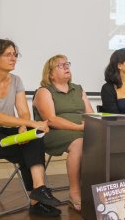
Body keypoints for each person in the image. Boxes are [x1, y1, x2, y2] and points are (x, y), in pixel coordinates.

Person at [0, 39, 61, 217]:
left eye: (14, 54)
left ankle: (38, 192)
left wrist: (24, 128)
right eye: (8, 55)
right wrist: (32, 124)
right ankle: (37, 199)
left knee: (33, 139)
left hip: (5, 130)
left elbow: (24, 112)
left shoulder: (16, 80)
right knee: (25, 149)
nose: (13, 58)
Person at [33, 55, 94, 211]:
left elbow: (90, 114)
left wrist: (91, 126)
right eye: (61, 65)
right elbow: (51, 120)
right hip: (53, 133)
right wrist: (80, 128)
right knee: (79, 143)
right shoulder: (44, 91)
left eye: (67, 64)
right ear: (50, 73)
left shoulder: (78, 89)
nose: (66, 67)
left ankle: (95, 189)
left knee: (106, 140)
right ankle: (74, 193)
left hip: (81, 130)